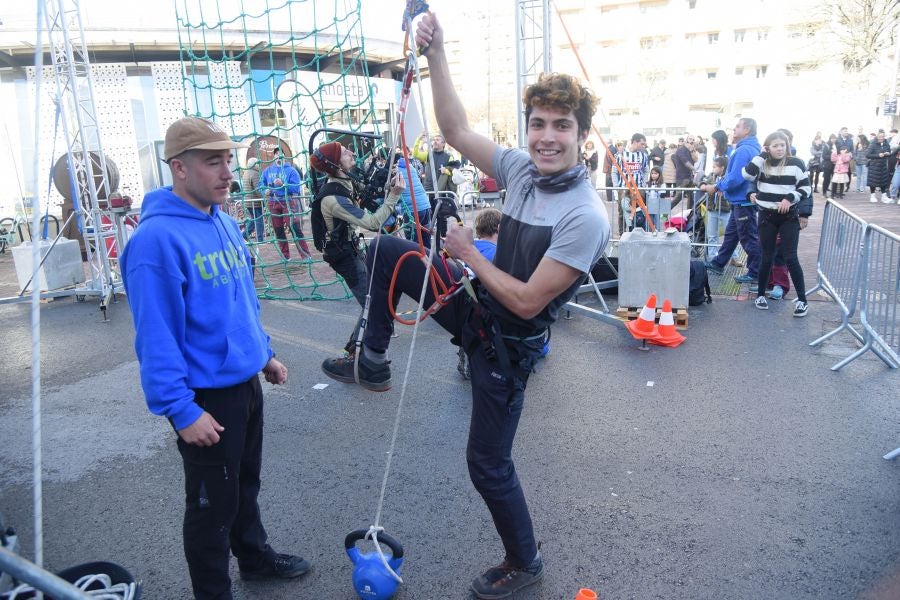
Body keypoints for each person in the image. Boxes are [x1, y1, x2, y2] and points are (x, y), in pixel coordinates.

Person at [322, 14, 610, 599]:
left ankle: (524, 560)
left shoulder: (585, 215)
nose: (547, 137)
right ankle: (372, 358)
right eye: (538, 124)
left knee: (488, 466)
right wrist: (438, 52)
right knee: (389, 250)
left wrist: (467, 255)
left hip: (510, 345)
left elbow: (529, 302)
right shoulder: (523, 172)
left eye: (562, 127)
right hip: (476, 310)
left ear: (582, 136)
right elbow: (453, 127)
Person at [120, 117, 309, 600]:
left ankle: (255, 559)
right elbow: (156, 337)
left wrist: (263, 354)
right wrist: (181, 410)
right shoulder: (155, 241)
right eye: (213, 161)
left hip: (242, 382)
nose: (227, 171)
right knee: (210, 507)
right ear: (178, 169)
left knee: (244, 484)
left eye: (228, 159)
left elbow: (238, 301)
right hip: (204, 396)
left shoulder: (223, 219)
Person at [309, 141, 404, 354]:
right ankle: (352, 354)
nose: (351, 153)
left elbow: (365, 193)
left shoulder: (345, 183)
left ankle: (354, 352)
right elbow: (372, 223)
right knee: (372, 305)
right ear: (335, 165)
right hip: (344, 257)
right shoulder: (333, 198)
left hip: (351, 248)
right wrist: (394, 195)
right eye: (344, 152)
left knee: (373, 301)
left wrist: (386, 185)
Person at [742, 130, 811, 317]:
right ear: (768, 148)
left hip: (788, 216)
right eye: (775, 146)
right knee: (766, 256)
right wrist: (761, 155)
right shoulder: (761, 163)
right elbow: (747, 176)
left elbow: (806, 187)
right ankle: (761, 295)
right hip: (766, 215)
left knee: (790, 257)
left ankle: (803, 301)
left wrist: (790, 198)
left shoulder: (796, 163)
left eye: (782, 145)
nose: (780, 149)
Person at [699, 118, 762, 284]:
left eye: (737, 127)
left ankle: (756, 272)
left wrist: (718, 186)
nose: (733, 130)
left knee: (748, 239)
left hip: (743, 201)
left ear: (747, 129)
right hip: (740, 201)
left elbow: (735, 177)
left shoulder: (743, 150)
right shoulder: (747, 148)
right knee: (731, 236)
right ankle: (719, 263)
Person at [260, 153, 312, 260]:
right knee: (278, 230)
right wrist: (265, 190)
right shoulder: (268, 170)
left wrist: (283, 184)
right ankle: (285, 256)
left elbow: (296, 189)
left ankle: (305, 255)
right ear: (273, 156)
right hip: (273, 202)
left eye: (280, 154)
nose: (278, 156)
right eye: (276, 154)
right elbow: (260, 184)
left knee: (294, 228)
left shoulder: (291, 170)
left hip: (287, 202)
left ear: (284, 156)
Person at [612, 133, 650, 233]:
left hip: (639, 189)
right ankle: (622, 235)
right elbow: (614, 171)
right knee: (622, 213)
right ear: (635, 142)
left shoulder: (643, 155)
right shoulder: (620, 155)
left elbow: (646, 170)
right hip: (624, 189)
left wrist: (643, 184)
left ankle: (636, 234)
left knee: (638, 212)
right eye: (642, 144)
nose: (643, 146)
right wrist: (617, 187)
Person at [240, 157, 265, 243]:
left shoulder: (246, 173)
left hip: (248, 201)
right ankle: (260, 239)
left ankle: (243, 236)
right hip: (255, 202)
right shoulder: (255, 173)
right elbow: (258, 189)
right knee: (259, 221)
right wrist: (264, 197)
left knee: (253, 221)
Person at [866, 129, 894, 204]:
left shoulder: (886, 143)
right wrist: (878, 155)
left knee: (884, 181)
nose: (882, 138)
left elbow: (889, 151)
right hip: (874, 166)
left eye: (883, 136)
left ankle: (884, 197)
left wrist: (888, 153)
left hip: (883, 165)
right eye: (880, 136)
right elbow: (867, 155)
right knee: (873, 181)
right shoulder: (873, 144)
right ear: (877, 136)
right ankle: (872, 196)